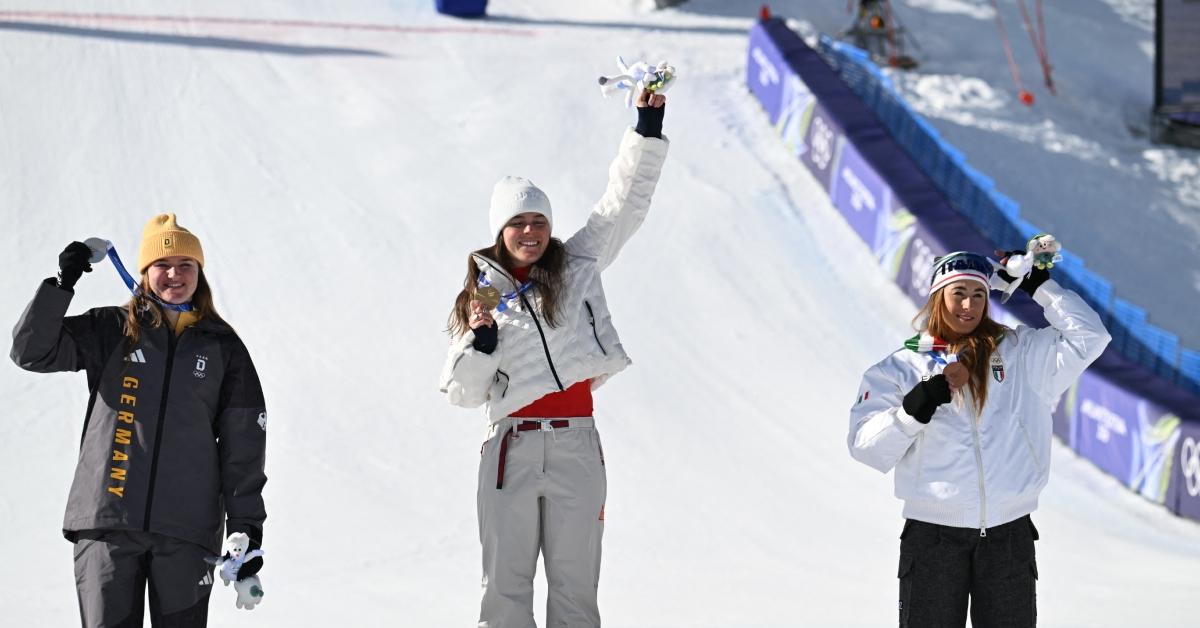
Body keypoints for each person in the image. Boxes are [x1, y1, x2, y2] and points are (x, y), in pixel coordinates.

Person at [439, 88, 669, 627]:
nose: (530, 232)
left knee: (575, 590)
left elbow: (623, 203)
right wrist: (482, 344)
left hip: (575, 444)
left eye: (539, 222)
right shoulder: (481, 299)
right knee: (504, 591)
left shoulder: (578, 265)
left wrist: (647, 127)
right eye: (519, 223)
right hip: (510, 451)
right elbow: (462, 392)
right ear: (500, 231)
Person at [10, 214, 267, 627]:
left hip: (186, 531)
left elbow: (244, 448)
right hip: (107, 522)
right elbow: (31, 352)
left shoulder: (224, 347)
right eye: (163, 265)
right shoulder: (111, 329)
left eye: (186, 265)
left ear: (200, 274)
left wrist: (246, 530)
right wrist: (62, 285)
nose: (174, 274)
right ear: (145, 272)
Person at [848, 250, 1110, 627]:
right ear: (939, 295)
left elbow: (1091, 336)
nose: (969, 305)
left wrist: (1041, 288)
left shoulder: (1021, 353)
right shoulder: (901, 368)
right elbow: (864, 447)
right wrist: (913, 409)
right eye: (958, 293)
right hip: (933, 539)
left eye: (978, 294)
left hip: (1008, 537)